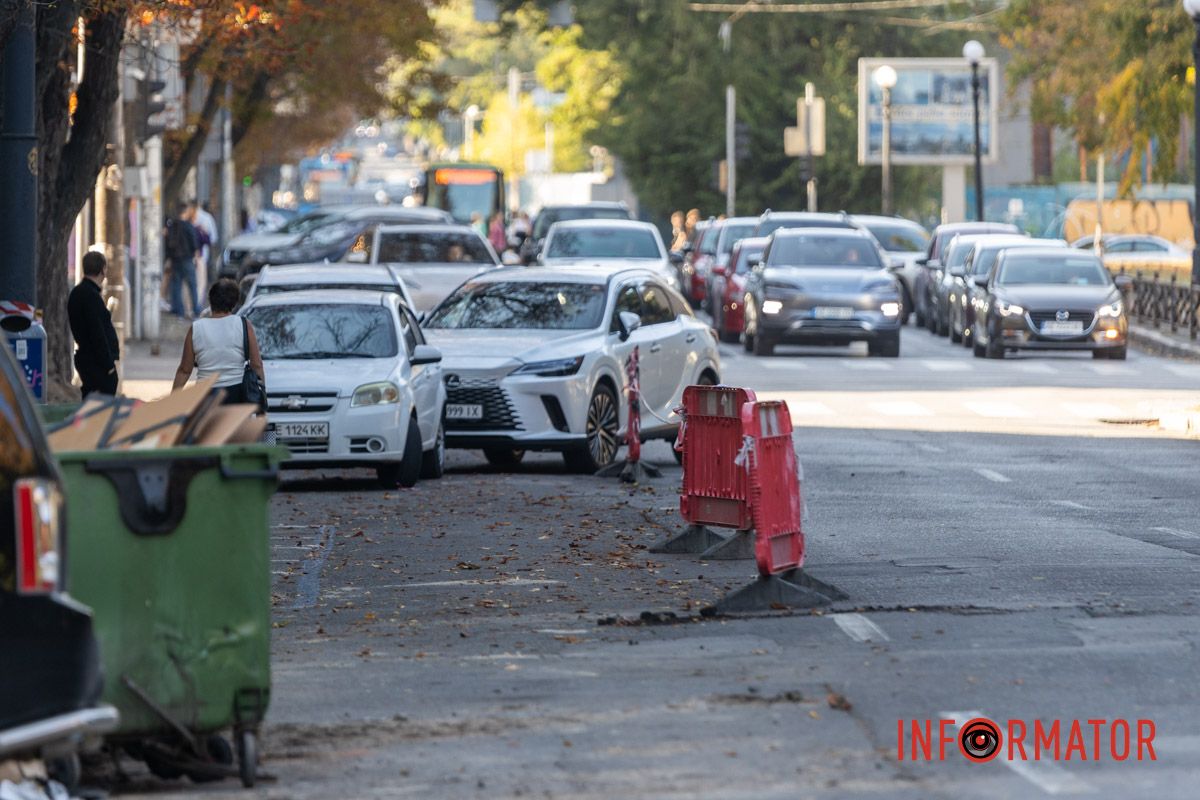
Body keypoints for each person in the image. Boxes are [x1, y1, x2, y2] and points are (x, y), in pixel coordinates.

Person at [172, 278, 264, 404]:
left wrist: (173, 399)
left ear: (211, 301)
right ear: (235, 302)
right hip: (236, 393)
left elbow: (185, 369)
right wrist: (262, 393)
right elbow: (257, 364)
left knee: (208, 424)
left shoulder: (196, 328)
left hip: (205, 394)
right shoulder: (243, 325)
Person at [67, 251, 120, 398]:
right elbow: (98, 333)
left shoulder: (77, 293)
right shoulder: (91, 296)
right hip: (97, 363)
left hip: (86, 358)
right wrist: (109, 365)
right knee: (101, 406)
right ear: (103, 269)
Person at [165, 202, 201, 318]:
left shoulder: (172, 226)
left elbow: (168, 244)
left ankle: (178, 310)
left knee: (176, 285)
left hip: (175, 260)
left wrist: (169, 258)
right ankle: (196, 310)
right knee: (192, 286)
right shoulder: (188, 226)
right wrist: (196, 257)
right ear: (185, 212)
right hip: (187, 259)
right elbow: (194, 243)